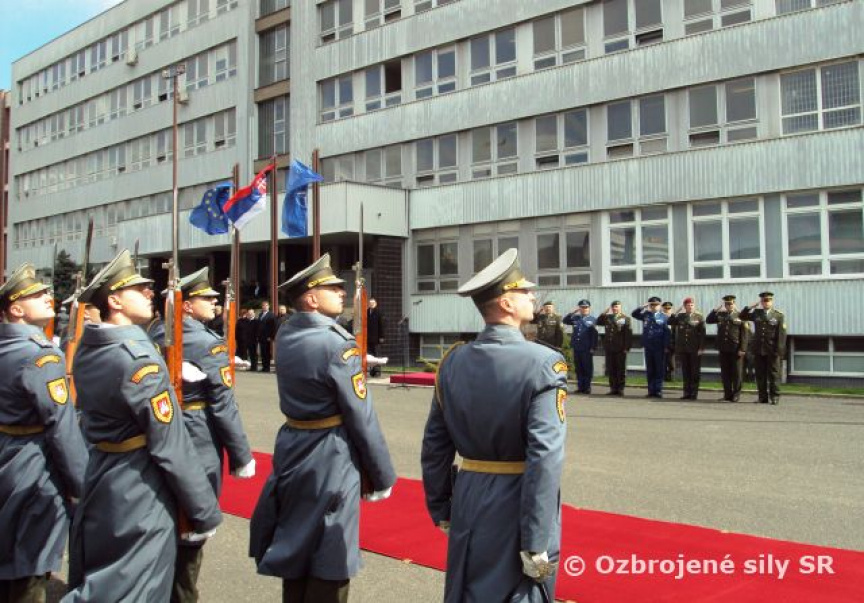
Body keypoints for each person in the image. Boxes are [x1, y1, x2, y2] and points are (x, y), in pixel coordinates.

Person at [65, 250, 222, 602]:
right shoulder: (139, 360)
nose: (150, 292)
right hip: (140, 484)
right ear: (115, 301)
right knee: (136, 587)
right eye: (138, 289)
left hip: (102, 473)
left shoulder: (91, 347)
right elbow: (170, 444)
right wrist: (203, 511)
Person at [421, 248, 567, 602]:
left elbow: (435, 445)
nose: (532, 295)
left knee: (468, 589)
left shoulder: (452, 361)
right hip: (517, 501)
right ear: (506, 303)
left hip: (468, 494)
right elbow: (545, 456)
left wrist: (441, 508)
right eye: (524, 290)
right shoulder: (544, 363)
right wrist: (535, 538)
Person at [250, 253, 395, 603]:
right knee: (331, 550)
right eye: (333, 288)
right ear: (312, 299)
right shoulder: (337, 344)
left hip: (293, 444)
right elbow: (361, 416)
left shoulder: (287, 333)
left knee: (296, 541)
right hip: (330, 451)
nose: (342, 292)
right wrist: (381, 475)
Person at [149, 268, 256, 602]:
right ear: (186, 305)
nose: (214, 302)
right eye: (206, 298)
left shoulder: (155, 330)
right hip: (197, 433)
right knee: (194, 523)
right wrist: (241, 455)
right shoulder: (208, 344)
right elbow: (223, 406)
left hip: (162, 430)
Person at [0, 263, 88, 602]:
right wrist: (81, 485)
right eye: (37, 295)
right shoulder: (42, 355)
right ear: (17, 309)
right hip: (34, 464)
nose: (48, 297)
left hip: (7, 453)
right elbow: (61, 425)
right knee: (31, 562)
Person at [739, 292, 787, 405]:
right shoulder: (757, 313)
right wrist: (750, 307)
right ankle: (762, 397)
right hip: (759, 349)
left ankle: (774, 397)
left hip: (772, 349)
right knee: (760, 374)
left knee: (774, 374)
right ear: (761, 302)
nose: (766, 303)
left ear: (771, 301)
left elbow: (781, 335)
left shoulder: (778, 315)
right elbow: (742, 316)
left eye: (768, 300)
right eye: (764, 301)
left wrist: (779, 351)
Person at [706, 295, 750, 403]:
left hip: (735, 348)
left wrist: (743, 348)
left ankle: (736, 394)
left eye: (731, 304)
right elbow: (708, 320)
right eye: (727, 304)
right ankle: (727, 394)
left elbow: (745, 334)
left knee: (737, 373)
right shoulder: (721, 314)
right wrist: (715, 310)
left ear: (734, 304)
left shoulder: (741, 315)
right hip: (723, 347)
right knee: (725, 373)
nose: (729, 306)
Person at [668, 297, 706, 400]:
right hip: (683, 348)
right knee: (686, 372)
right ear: (685, 306)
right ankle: (686, 393)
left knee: (694, 372)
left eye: (692, 305)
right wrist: (676, 312)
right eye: (688, 305)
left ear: (694, 306)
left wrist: (701, 348)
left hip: (695, 349)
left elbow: (702, 334)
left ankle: (693, 393)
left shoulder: (699, 317)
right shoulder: (680, 316)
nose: (690, 307)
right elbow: (669, 321)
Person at [632, 296, 669, 399]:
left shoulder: (664, 316)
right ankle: (651, 390)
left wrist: (666, 345)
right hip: (648, 345)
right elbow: (634, 314)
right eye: (652, 305)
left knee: (659, 369)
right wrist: (642, 307)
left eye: (656, 305)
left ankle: (658, 390)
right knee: (650, 369)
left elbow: (666, 332)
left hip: (659, 346)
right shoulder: (646, 315)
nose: (654, 306)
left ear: (660, 305)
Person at [597, 301, 632, 396]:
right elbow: (598, 322)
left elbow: (628, 334)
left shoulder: (625, 318)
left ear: (620, 307)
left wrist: (627, 347)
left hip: (620, 348)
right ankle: (613, 388)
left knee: (620, 369)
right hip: (609, 348)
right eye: (613, 307)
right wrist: (603, 313)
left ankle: (620, 389)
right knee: (611, 369)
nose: (615, 308)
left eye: (616, 306)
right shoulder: (607, 317)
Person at [563, 299, 598, 394]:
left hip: (587, 348)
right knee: (579, 368)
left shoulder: (593, 319)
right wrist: (572, 313)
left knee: (587, 368)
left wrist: (593, 347)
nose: (584, 309)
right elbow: (565, 320)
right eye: (582, 307)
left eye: (586, 307)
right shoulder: (576, 318)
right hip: (577, 347)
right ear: (579, 308)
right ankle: (580, 387)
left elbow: (594, 335)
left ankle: (587, 387)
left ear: (589, 308)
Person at [367, 298, 385, 377]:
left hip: (376, 338)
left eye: (373, 303)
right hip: (368, 338)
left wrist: (381, 336)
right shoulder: (366, 312)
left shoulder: (378, 312)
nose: (371, 304)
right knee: (370, 355)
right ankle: (372, 371)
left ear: (375, 304)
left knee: (376, 354)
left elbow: (381, 325)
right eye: (370, 303)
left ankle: (377, 371)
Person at [257, 301, 277, 373]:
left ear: (268, 306)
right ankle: (264, 367)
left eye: (266, 305)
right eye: (263, 305)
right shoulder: (260, 314)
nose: (264, 307)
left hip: (267, 337)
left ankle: (267, 367)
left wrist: (271, 336)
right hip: (261, 337)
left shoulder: (271, 315)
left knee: (267, 352)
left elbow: (273, 327)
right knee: (262, 352)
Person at [661, 301, 676, 381]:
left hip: (672, 343)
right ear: (663, 309)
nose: (667, 310)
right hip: (662, 343)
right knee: (663, 361)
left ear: (671, 309)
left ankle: (671, 376)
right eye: (665, 308)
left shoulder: (674, 318)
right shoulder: (660, 318)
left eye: (669, 308)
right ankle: (664, 377)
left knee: (670, 361)